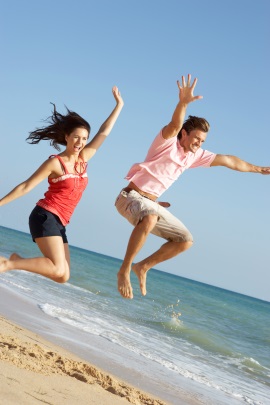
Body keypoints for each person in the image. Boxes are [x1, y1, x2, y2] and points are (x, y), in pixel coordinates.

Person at [115, 73, 270, 299]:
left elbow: (229, 160)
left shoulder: (193, 156)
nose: (199, 144)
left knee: (185, 241)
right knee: (149, 217)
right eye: (196, 139)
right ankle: (125, 269)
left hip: (150, 204)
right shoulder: (166, 143)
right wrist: (183, 103)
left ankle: (143, 266)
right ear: (184, 134)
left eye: (202, 141)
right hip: (129, 197)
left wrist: (260, 169)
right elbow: (175, 123)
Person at [0, 86, 124, 282]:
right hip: (45, 216)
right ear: (66, 137)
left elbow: (104, 131)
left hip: (60, 222)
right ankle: (9, 264)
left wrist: (119, 105)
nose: (80, 142)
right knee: (58, 269)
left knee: (63, 276)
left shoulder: (84, 159)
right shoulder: (55, 163)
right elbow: (26, 186)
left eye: (84, 138)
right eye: (76, 137)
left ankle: (17, 260)